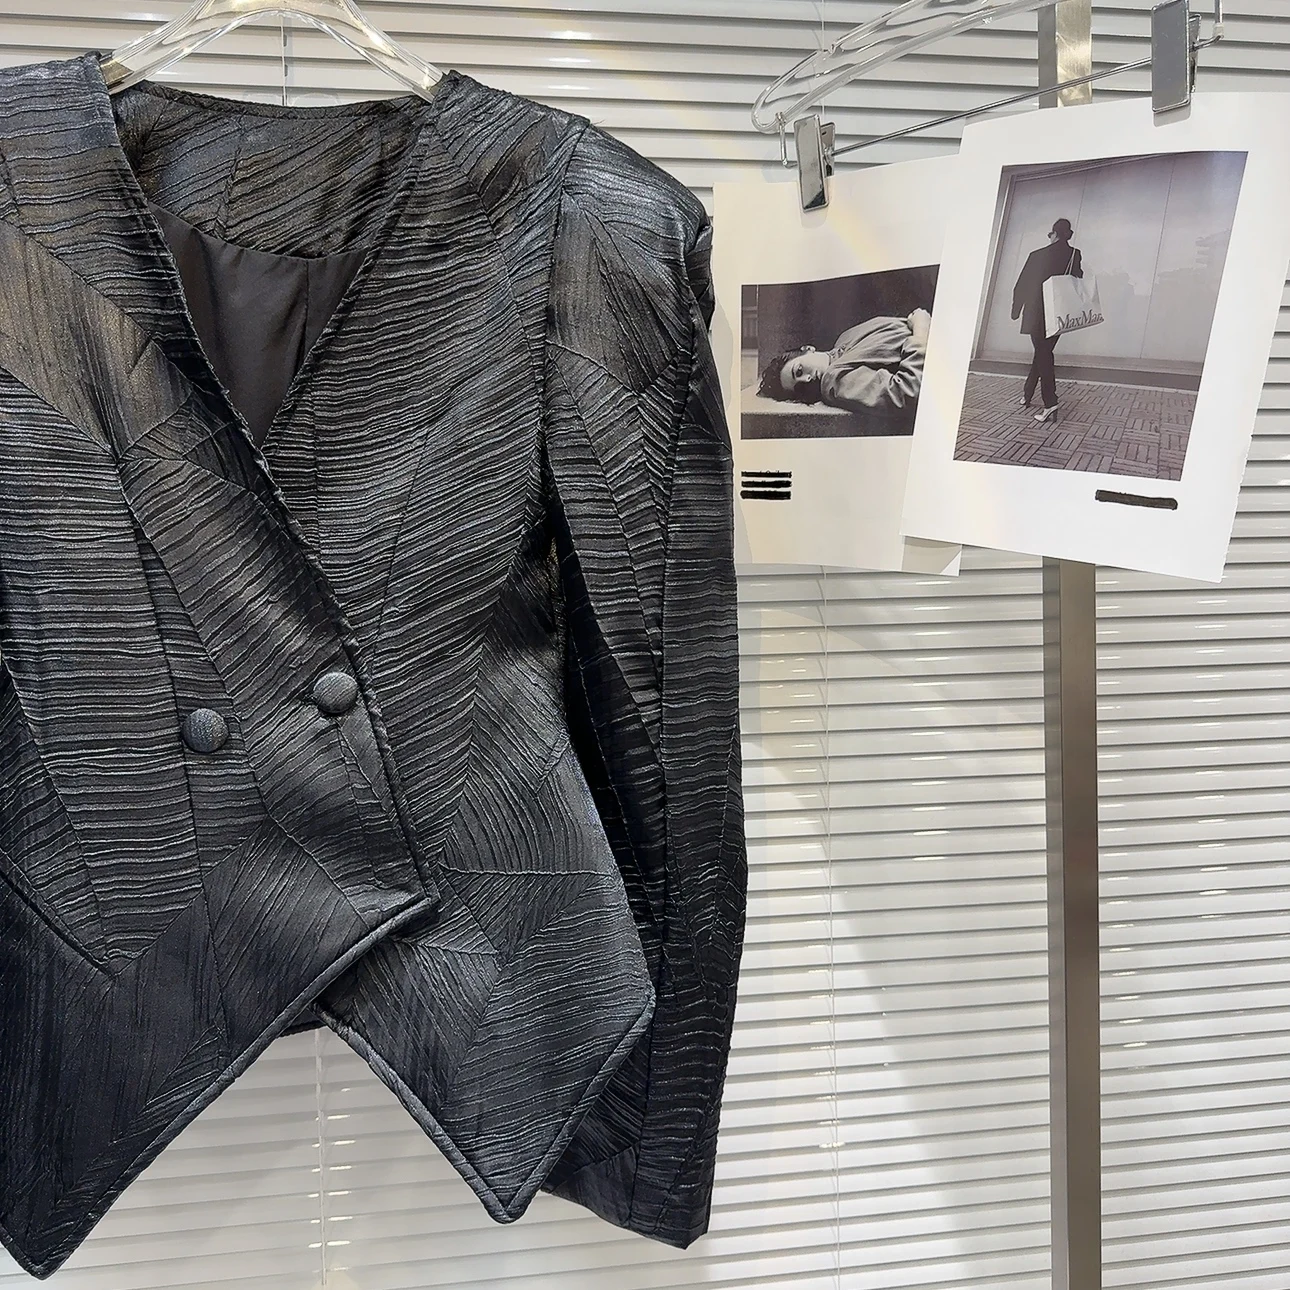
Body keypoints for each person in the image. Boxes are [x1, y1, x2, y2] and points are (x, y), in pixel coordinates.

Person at [756, 307, 932, 418]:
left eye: (799, 371)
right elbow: (906, 392)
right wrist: (921, 330)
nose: (807, 380)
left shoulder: (845, 337)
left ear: (808, 348)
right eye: (800, 388)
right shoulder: (833, 381)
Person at [1011, 217, 1082, 423]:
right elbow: (1077, 278)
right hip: (1058, 313)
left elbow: (1022, 284)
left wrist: (1016, 309)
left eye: (1050, 234)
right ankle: (1027, 394)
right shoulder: (1074, 254)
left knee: (1043, 354)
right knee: (1042, 352)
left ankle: (1050, 403)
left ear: (1054, 234)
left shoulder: (1037, 255)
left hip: (1036, 312)